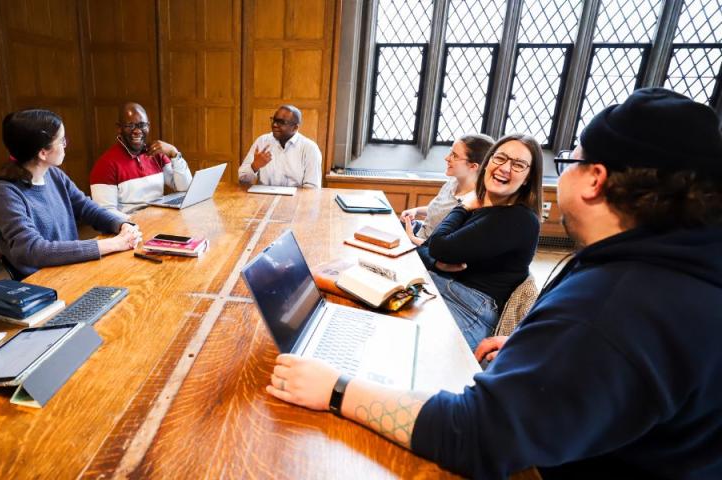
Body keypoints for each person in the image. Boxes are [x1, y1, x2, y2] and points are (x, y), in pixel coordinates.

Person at [265, 88, 722, 478]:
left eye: (572, 161)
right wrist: (541, 350)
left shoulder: (615, 305)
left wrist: (337, 388)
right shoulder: (675, 267)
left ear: (595, 180)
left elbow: (477, 434)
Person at [419, 133, 543, 351]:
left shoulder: (519, 219)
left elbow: (438, 246)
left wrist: (463, 206)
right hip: (442, 286)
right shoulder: (485, 205)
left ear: (527, 178)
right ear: (487, 163)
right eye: (500, 158)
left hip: (470, 309)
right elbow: (428, 247)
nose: (505, 168)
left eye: (518, 165)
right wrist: (437, 262)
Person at [0, 109, 141, 279]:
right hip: (42, 281)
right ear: (43, 152)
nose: (65, 145)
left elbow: (86, 208)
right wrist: (112, 244)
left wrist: (121, 225)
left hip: (72, 268)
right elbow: (32, 250)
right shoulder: (4, 192)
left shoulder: (53, 174)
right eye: (62, 140)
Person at [89, 102, 193, 214]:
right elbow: (105, 213)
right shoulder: (105, 164)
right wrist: (140, 223)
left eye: (142, 125)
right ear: (119, 128)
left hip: (160, 220)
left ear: (148, 126)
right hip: (131, 227)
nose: (137, 131)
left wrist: (174, 153)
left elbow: (185, 188)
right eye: (130, 125)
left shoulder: (156, 154)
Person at [400, 134, 494, 246]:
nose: (447, 158)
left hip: (428, 250)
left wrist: (411, 238)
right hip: (419, 235)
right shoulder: (452, 182)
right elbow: (441, 210)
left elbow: (448, 247)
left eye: (454, 155)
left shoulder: (473, 203)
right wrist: (416, 211)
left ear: (473, 166)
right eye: (450, 152)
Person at [238, 105, 323, 188]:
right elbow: (242, 179)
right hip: (263, 199)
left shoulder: (310, 148)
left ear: (295, 128)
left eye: (281, 122)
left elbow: (312, 188)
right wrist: (255, 166)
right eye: (274, 120)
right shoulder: (262, 142)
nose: (274, 125)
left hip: (294, 200)